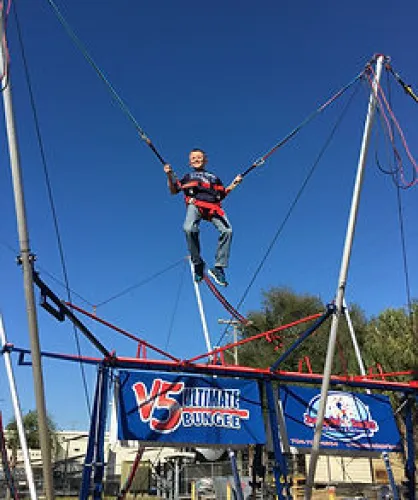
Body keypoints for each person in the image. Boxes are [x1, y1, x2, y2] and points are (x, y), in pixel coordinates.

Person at [164, 148, 242, 286]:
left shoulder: (214, 178)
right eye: (193, 158)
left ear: (205, 160)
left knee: (227, 231)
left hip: (213, 207)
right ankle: (198, 263)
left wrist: (234, 183)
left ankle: (219, 268)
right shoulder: (188, 177)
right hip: (195, 205)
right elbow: (173, 190)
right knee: (188, 229)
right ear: (190, 163)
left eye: (199, 157)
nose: (196, 160)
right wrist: (169, 175)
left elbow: (222, 194)